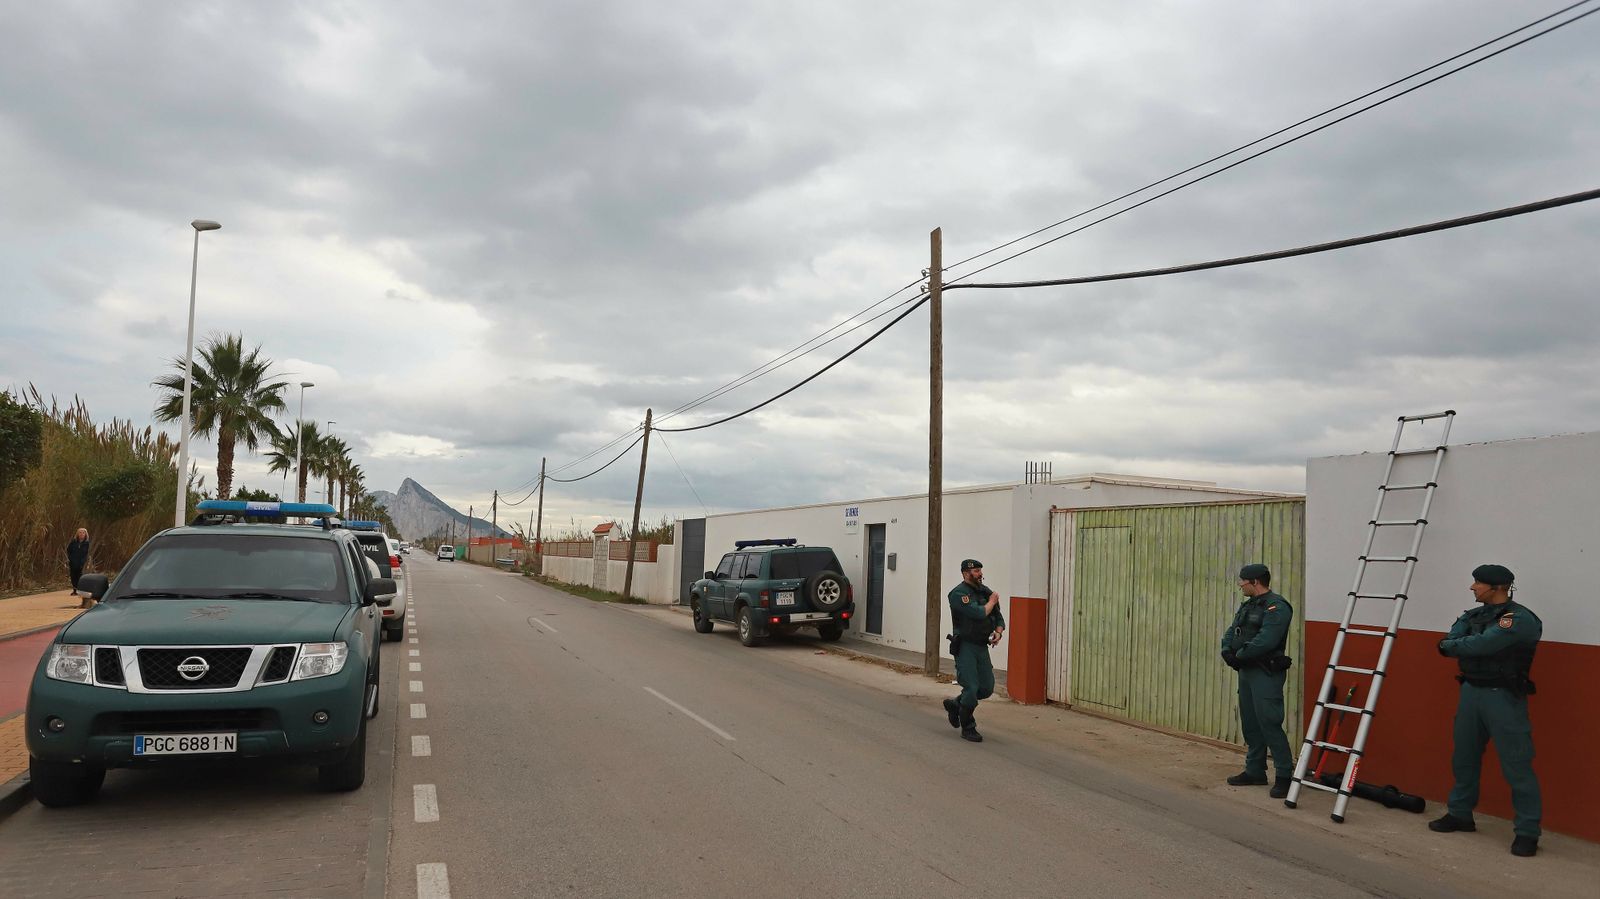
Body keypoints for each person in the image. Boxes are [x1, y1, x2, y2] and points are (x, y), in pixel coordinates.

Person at [1430, 563, 1543, 858]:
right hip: (1471, 692)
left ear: (1497, 588)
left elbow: (1480, 645)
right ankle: (1460, 813)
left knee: (1517, 764)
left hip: (1503, 697)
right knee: (1463, 757)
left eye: (1478, 583)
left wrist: (1456, 645)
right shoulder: (1473, 615)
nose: (1472, 587)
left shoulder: (1519, 620)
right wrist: (1455, 644)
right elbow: (1447, 643)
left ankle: (1528, 831)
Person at [1221, 563, 1295, 798]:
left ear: (1256, 582)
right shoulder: (1248, 605)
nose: (1240, 585)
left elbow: (1266, 639)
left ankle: (1284, 775)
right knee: (1250, 724)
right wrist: (1227, 651)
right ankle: (1255, 771)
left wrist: (1239, 656)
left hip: (1265, 673)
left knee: (1269, 722)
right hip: (1246, 672)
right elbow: (1233, 630)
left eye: (1243, 581)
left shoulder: (1277, 606)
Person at [942, 559, 1006, 743]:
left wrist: (998, 632)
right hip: (966, 646)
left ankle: (956, 704)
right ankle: (968, 726)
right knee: (971, 687)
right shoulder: (958, 594)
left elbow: (998, 616)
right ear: (965, 573)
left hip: (981, 645)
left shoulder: (984, 591)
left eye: (980, 570)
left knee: (986, 688)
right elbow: (979, 613)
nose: (979, 574)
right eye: (975, 571)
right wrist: (992, 602)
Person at [66, 528, 90, 597]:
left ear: (85, 534)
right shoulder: (74, 542)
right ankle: (74, 590)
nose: (81, 534)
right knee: (73, 575)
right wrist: (70, 558)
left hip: (81, 562)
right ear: (77, 534)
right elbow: (68, 550)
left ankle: (80, 589)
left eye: (83, 533)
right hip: (73, 561)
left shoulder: (86, 543)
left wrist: (83, 561)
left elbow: (85, 553)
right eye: (80, 532)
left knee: (79, 575)